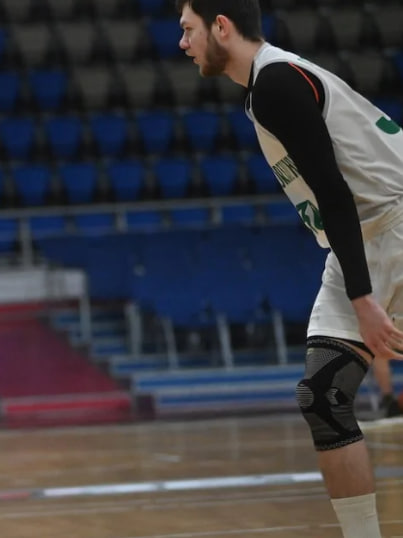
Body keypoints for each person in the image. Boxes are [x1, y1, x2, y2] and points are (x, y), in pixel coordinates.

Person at [176, 1, 403, 536]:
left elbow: (334, 193)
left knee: (326, 395)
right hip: (364, 237)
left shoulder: (276, 83)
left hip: (392, 225)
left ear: (221, 27)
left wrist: (362, 298)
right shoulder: (266, 84)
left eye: (188, 30)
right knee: (323, 396)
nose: (182, 43)